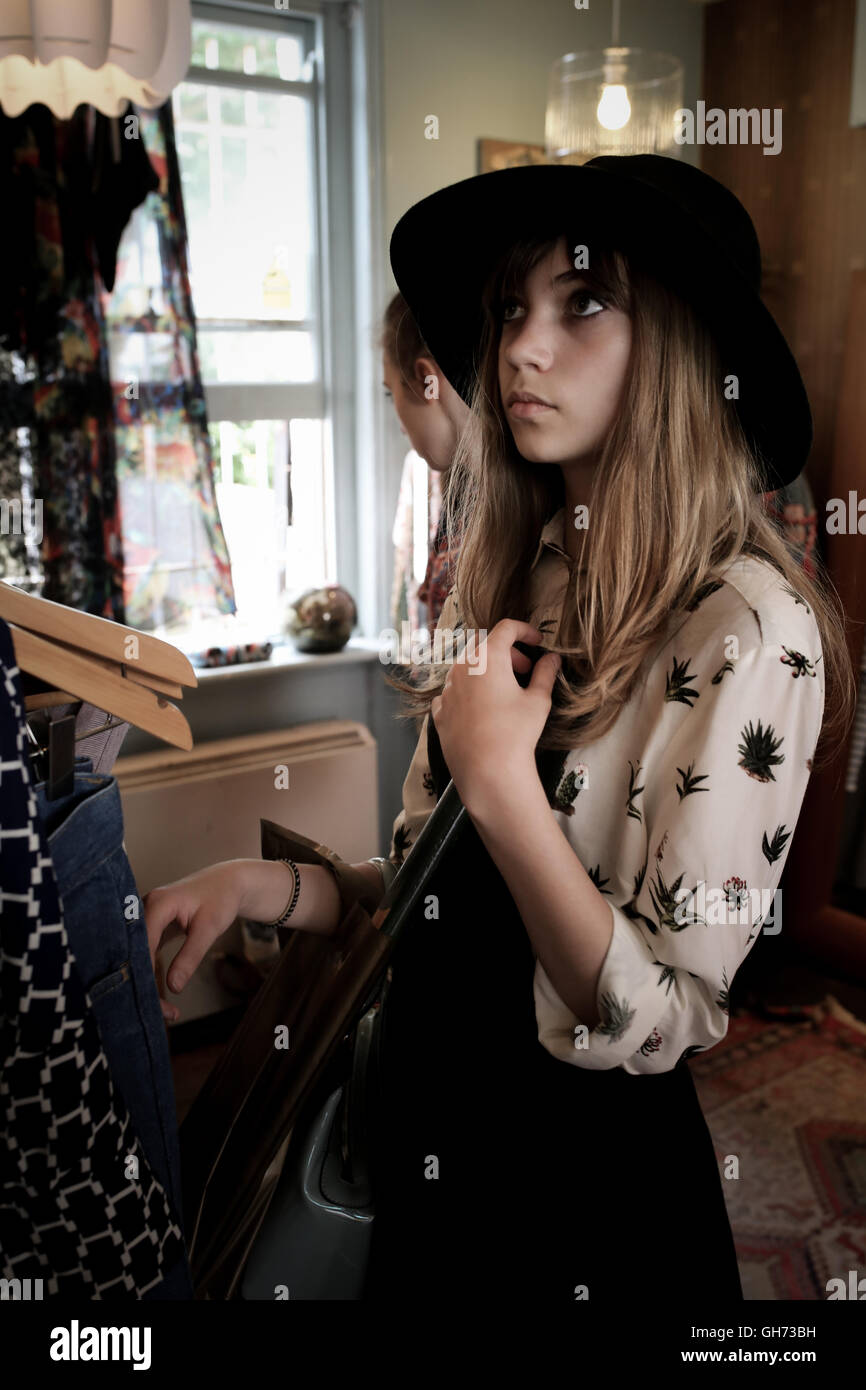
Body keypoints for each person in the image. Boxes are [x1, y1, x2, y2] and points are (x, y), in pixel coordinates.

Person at [145, 155, 854, 1303]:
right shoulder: (526, 572)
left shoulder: (746, 628)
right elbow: (444, 895)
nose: (521, 346)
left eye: (580, 302)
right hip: (431, 1132)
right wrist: (264, 887)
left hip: (570, 1190)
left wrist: (503, 788)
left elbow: (663, 1015)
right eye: (508, 310)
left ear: (677, 344)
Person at [381, 292, 468, 630]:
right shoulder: (458, 491)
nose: (398, 417)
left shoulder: (491, 522)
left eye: (391, 393)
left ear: (424, 380)